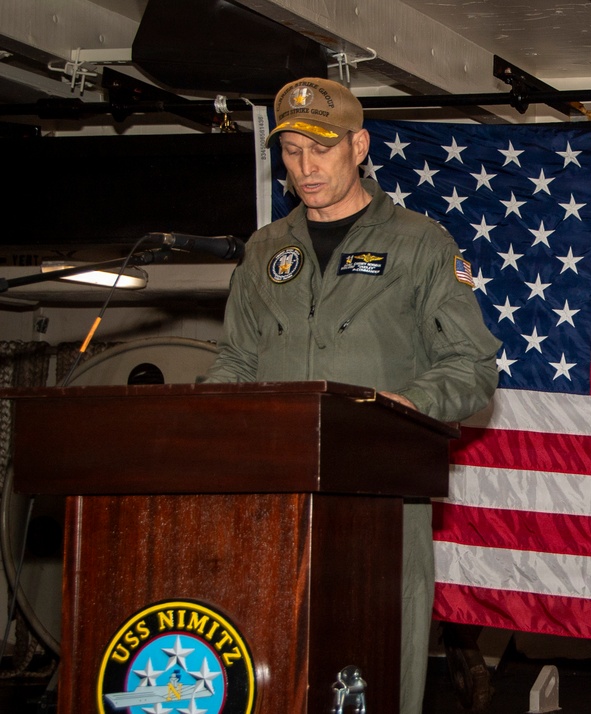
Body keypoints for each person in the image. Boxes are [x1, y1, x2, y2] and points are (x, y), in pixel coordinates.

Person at [202, 76, 501, 714]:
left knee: (378, 678)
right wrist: (202, 426)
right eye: (290, 153)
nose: (305, 169)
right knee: (272, 675)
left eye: (322, 149)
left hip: (382, 505)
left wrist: (404, 408)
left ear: (359, 146)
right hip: (273, 505)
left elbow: (472, 364)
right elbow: (235, 360)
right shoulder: (264, 251)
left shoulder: (420, 244)